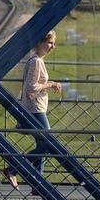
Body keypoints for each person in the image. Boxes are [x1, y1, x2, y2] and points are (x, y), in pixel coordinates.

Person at [19, 30, 63, 186]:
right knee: (48, 145)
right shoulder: (36, 61)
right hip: (36, 110)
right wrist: (50, 84)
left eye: (54, 43)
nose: (53, 47)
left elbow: (34, 83)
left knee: (41, 145)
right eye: (50, 42)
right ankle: (13, 168)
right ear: (39, 42)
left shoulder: (36, 60)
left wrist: (51, 82)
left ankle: (38, 184)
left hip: (35, 107)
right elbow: (31, 87)